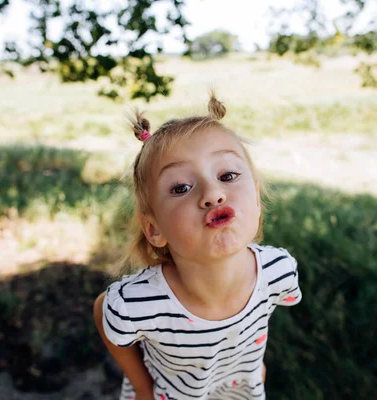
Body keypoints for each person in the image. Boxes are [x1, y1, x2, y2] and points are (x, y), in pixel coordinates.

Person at [93, 92, 302, 400]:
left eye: (227, 175)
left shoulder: (277, 271)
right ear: (154, 228)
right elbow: (104, 311)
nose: (213, 192)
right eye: (181, 187)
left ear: (256, 201)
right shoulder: (138, 304)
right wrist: (143, 389)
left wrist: (255, 365)